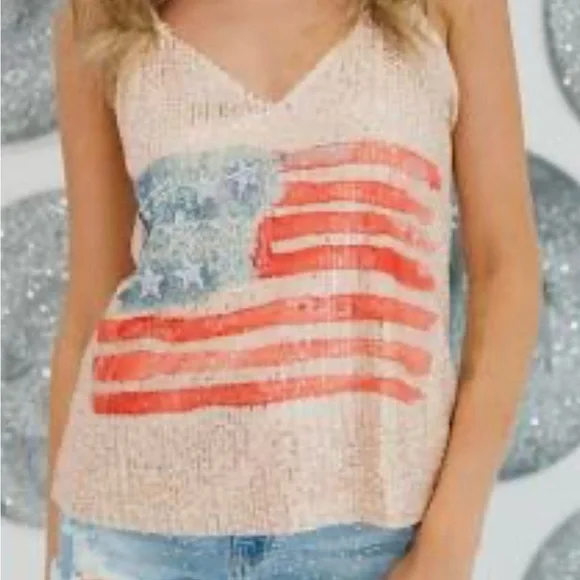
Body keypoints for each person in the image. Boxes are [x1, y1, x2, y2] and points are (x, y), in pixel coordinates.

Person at [46, 0, 541, 578]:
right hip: (127, 533)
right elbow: (90, 305)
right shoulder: (101, 14)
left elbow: (505, 269)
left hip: (370, 535)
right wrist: (54, 556)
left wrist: (452, 539)